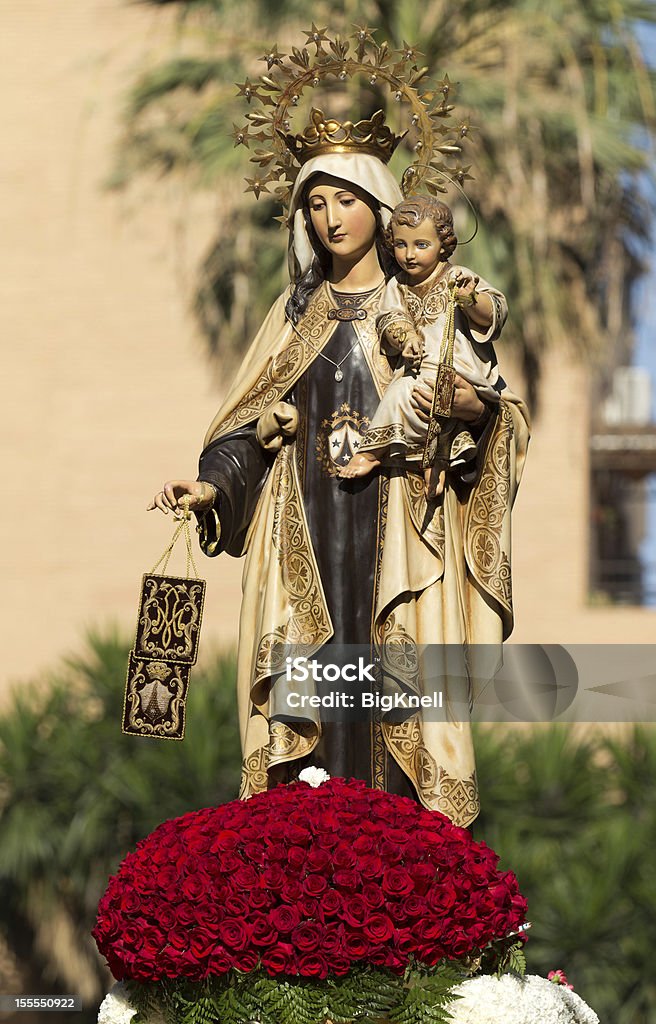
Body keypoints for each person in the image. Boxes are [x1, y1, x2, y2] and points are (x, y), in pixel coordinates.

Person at [148, 108, 530, 827]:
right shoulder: (294, 317)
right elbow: (243, 429)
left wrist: (473, 413)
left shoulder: (422, 306)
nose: (329, 217)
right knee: (311, 712)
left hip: (399, 550)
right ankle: (310, 852)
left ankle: (391, 852)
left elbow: (496, 415)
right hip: (309, 537)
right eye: (314, 202)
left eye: (345, 199)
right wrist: (209, 485)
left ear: (381, 207)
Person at [339, 196, 505, 498]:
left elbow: (493, 312)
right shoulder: (397, 285)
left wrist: (469, 300)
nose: (409, 255)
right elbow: (390, 318)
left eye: (421, 245)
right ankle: (410, 456)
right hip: (418, 367)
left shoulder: (456, 277)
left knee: (439, 397)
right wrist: (406, 338)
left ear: (443, 244)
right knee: (403, 395)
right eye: (401, 245)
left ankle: (434, 458)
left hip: (456, 367)